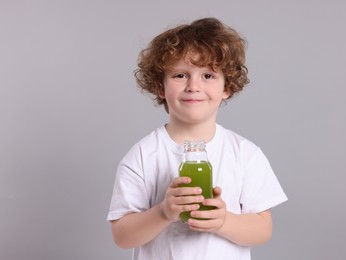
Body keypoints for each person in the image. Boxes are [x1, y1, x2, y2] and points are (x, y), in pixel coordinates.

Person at [107, 17, 288, 259]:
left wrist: (224, 221)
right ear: (161, 87)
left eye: (208, 76)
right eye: (180, 75)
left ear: (227, 87)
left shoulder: (245, 154)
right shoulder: (143, 155)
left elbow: (263, 229)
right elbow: (122, 236)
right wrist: (163, 212)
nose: (193, 86)